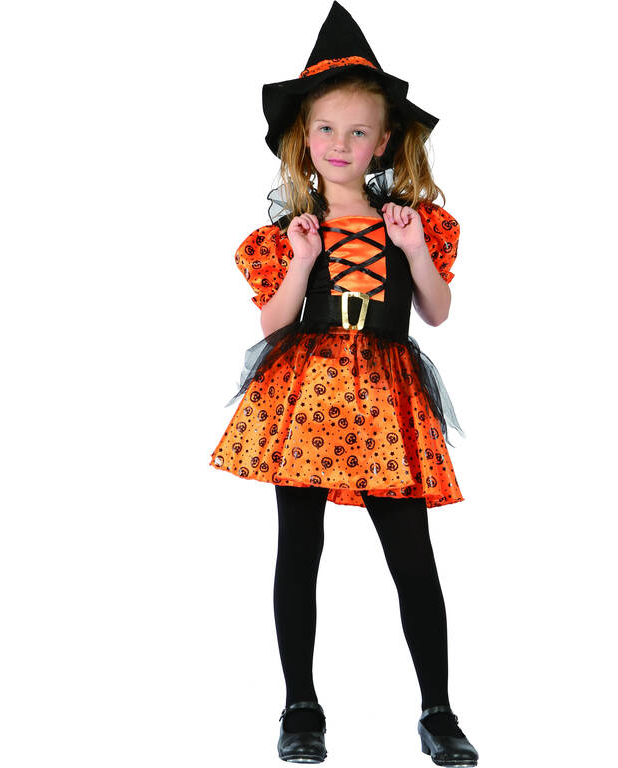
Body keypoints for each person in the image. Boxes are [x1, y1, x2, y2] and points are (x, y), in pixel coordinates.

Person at [209, 3, 478, 765]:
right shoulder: (283, 236)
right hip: (306, 394)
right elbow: (273, 322)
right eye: (326, 129)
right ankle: (301, 705)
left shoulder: (418, 223)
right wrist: (302, 260)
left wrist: (414, 250)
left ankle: (438, 710)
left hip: (388, 395)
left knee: (412, 555)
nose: (340, 144)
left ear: (383, 141)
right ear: (304, 137)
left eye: (358, 132)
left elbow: (437, 311)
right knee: (299, 549)